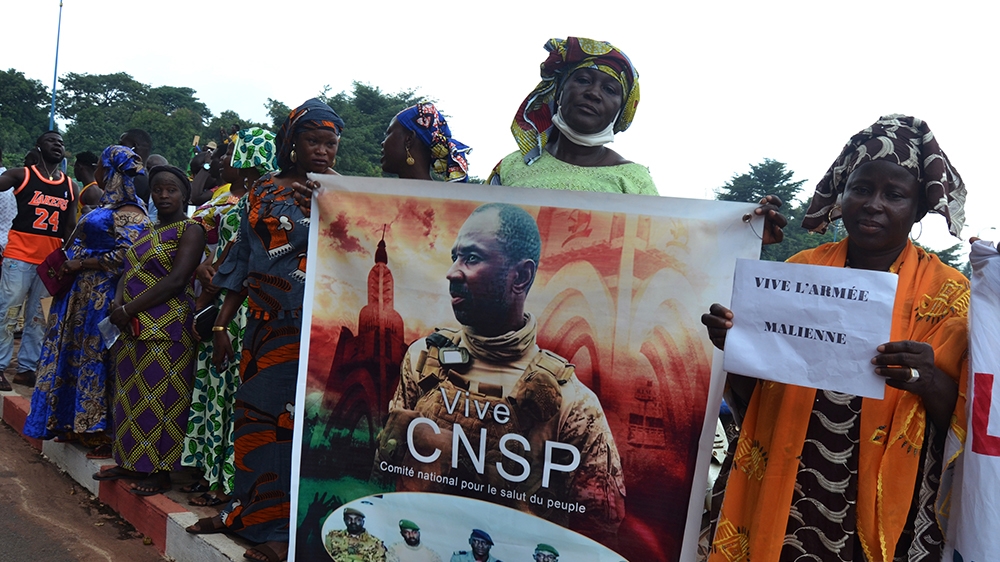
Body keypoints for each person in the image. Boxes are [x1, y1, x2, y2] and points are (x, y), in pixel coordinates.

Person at [702, 115, 969, 562]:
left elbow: (965, 426)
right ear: (842, 193)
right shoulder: (799, 272)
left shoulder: (949, 295)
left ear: (919, 208)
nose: (873, 205)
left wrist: (929, 381)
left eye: (894, 195)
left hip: (885, 506)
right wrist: (736, 346)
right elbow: (755, 398)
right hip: (785, 489)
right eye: (861, 189)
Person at [375, 203, 624, 543]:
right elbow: (384, 473)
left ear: (520, 277)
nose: (452, 272)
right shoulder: (423, 361)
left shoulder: (573, 403)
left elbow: (599, 532)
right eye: (454, 257)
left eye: (472, 258)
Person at [185, 98, 344, 562]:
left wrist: (331, 207)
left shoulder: (344, 193)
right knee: (253, 421)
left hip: (310, 333)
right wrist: (221, 323)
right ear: (292, 142)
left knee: (292, 429)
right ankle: (246, 513)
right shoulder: (263, 190)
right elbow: (242, 259)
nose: (322, 151)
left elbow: (358, 249)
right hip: (260, 327)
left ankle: (283, 531)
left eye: (330, 143)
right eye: (313, 141)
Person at [23, 146, 149, 454]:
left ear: (110, 172)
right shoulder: (107, 205)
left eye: (101, 167)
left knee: (96, 356)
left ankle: (97, 429)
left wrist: (82, 263)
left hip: (102, 295)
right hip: (80, 294)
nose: (97, 173)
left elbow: (128, 256)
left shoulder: (131, 210)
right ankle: (72, 422)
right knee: (75, 354)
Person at [92, 165, 205, 497]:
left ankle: (159, 471)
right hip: (132, 326)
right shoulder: (147, 230)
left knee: (162, 398)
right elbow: (128, 271)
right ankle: (130, 461)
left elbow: (177, 280)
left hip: (167, 326)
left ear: (184, 194)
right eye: (158, 190)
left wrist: (128, 309)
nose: (164, 195)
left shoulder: (191, 230)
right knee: (131, 396)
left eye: (171, 190)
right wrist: (118, 304)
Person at [181, 127, 277, 507]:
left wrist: (209, 304)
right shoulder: (251, 201)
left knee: (226, 396)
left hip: (235, 313)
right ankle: (213, 475)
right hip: (233, 307)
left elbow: (234, 261)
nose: (225, 160)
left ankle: (224, 483)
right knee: (219, 394)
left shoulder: (254, 204)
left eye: (233, 154)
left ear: (245, 160)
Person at [487, 37, 655, 195]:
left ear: (619, 112)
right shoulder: (511, 166)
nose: (593, 93)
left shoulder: (635, 181)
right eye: (583, 80)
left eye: (609, 89)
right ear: (559, 92)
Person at [0, 131, 76, 391]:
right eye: (52, 140)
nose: (58, 144)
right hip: (18, 256)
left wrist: (68, 256)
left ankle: (26, 368)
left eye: (61, 142)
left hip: (49, 262)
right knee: (9, 313)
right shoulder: (22, 175)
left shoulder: (70, 186)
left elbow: (70, 227)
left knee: (39, 318)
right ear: (39, 146)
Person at [381, 102, 470, 182]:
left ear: (409, 139)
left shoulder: (382, 193)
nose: (383, 143)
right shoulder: (441, 195)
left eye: (388, 134)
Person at [323, 507, 388, 562]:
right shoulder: (333, 536)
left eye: (358, 520)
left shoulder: (375, 543)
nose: (353, 522)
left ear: (363, 522)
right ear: (344, 520)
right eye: (349, 519)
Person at [72, 151, 103, 217]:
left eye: (74, 167)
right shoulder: (89, 188)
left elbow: (96, 217)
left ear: (79, 167)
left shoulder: (93, 190)